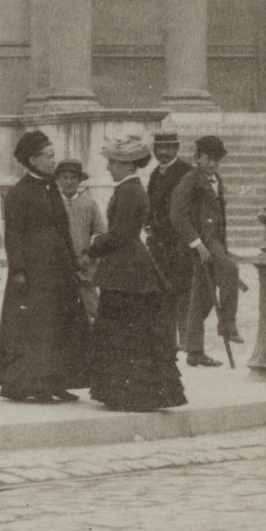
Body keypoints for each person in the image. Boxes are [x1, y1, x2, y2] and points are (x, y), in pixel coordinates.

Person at [83, 130, 187, 412]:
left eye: (113, 163)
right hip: (129, 266)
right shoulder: (131, 188)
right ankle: (128, 391)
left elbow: (120, 235)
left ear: (127, 165)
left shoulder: (128, 191)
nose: (108, 168)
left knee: (124, 330)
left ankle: (129, 392)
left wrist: (94, 245)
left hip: (126, 267)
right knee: (128, 329)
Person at [0, 128, 86, 402]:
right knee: (38, 328)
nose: (53, 161)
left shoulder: (51, 188)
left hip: (59, 269)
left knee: (61, 324)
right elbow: (13, 234)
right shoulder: (19, 193)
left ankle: (58, 382)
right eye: (49, 156)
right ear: (33, 160)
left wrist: (72, 263)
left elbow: (62, 227)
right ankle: (36, 385)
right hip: (34, 272)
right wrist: (18, 270)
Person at [171, 134, 246, 368]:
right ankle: (227, 324)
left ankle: (194, 351)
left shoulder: (216, 179)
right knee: (231, 270)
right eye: (208, 158)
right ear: (197, 157)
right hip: (203, 242)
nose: (212, 163)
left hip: (216, 242)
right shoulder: (190, 180)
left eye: (217, 159)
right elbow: (177, 214)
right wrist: (197, 244)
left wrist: (223, 247)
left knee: (201, 298)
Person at [144, 128, 194, 351]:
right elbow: (150, 203)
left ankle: (187, 338)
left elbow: (186, 210)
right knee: (164, 291)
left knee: (183, 291)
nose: (163, 152)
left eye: (168, 148)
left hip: (179, 242)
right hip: (159, 244)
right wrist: (148, 223)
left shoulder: (187, 172)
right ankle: (168, 340)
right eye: (159, 148)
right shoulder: (156, 173)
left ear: (176, 148)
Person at [56, 159, 106, 320]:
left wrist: (89, 254)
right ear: (58, 179)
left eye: (73, 178)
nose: (69, 182)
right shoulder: (52, 203)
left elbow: (100, 232)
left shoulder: (89, 204)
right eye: (65, 177)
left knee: (90, 304)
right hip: (58, 262)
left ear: (79, 181)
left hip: (83, 263)